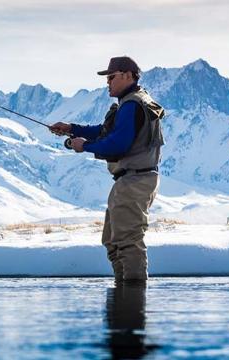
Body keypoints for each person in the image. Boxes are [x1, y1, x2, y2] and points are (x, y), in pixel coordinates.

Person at [49, 56, 166, 285]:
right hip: (133, 180)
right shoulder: (134, 102)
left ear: (128, 75)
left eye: (111, 77)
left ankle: (132, 302)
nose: (107, 83)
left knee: (127, 241)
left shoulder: (132, 104)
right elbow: (106, 131)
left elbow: (117, 144)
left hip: (134, 181)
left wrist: (85, 146)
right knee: (113, 240)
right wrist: (71, 129)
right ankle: (123, 296)